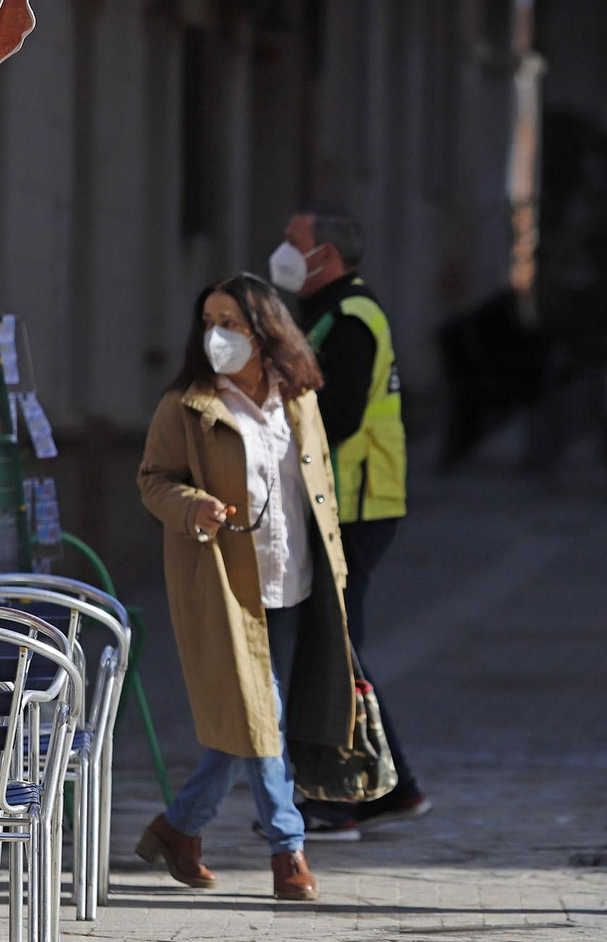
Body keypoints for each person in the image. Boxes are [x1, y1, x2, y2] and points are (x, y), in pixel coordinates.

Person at [135, 273, 356, 901]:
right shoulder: (188, 405)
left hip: (297, 579)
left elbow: (318, 484)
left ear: (263, 331)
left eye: (229, 323)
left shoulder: (298, 398)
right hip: (226, 584)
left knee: (250, 719)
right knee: (263, 717)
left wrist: (340, 566)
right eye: (208, 322)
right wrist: (193, 507)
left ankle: (178, 830)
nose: (216, 335)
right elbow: (153, 479)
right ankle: (288, 850)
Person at [267, 205, 429, 840]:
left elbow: (339, 415)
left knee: (335, 654)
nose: (282, 251)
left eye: (293, 241)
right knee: (341, 648)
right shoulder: (329, 312)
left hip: (357, 503)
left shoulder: (352, 317)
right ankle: (395, 790)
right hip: (348, 503)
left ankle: (343, 799)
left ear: (325, 255)